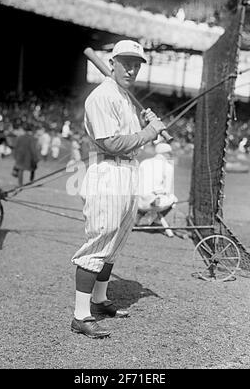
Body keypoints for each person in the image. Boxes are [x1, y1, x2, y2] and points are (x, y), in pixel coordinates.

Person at [69, 40, 167, 339]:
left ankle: (99, 301)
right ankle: (80, 315)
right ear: (112, 63)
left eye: (137, 64)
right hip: (107, 171)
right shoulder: (101, 97)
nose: (132, 68)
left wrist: (145, 123)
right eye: (126, 62)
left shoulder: (123, 97)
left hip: (127, 172)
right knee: (100, 240)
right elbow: (109, 142)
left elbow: (129, 137)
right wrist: (149, 132)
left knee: (115, 243)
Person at [136, 142, 178, 237]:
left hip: (138, 201)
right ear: (166, 153)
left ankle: (138, 218)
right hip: (154, 203)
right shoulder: (168, 166)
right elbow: (168, 190)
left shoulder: (144, 163)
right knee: (174, 199)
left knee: (144, 194)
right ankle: (156, 220)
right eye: (170, 153)